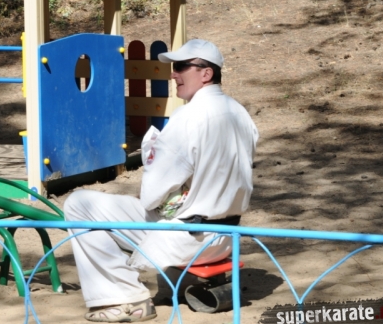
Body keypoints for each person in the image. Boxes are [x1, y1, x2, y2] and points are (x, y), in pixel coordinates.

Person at [64, 39, 258, 322]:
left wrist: (151, 157)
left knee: (79, 204)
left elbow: (152, 195)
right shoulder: (240, 113)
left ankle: (125, 297)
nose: (173, 74)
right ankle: (178, 282)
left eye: (181, 67)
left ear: (206, 73)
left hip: (188, 239)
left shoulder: (188, 116)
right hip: (227, 238)